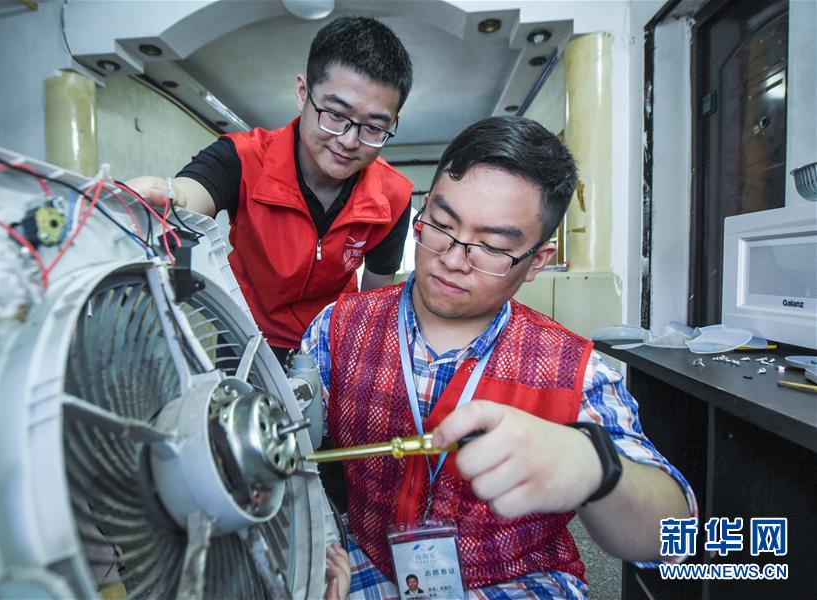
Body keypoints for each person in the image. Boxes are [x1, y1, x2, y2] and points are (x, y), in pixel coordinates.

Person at [302, 116, 698, 599]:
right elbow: (292, 451)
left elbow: (671, 536)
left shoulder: (575, 371)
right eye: (442, 225)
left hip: (516, 582)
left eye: (491, 247)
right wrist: (315, 540)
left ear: (537, 261)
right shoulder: (337, 329)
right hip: (368, 565)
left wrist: (597, 468)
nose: (452, 257)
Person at [127, 16, 414, 362]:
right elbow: (189, 195)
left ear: (393, 124)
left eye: (373, 128)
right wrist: (166, 197)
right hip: (244, 336)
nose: (350, 141)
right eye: (336, 115)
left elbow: (375, 300)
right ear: (303, 92)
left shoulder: (394, 195)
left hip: (329, 342)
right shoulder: (242, 157)